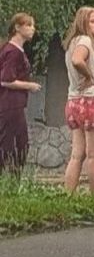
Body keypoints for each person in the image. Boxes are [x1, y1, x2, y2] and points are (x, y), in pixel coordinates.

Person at [63, 7, 94, 193]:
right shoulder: (84, 41)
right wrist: (89, 76)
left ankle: (69, 194)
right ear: (83, 22)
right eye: (92, 21)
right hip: (92, 100)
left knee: (77, 155)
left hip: (74, 101)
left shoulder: (73, 42)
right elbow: (78, 60)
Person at [0, 13, 41, 176]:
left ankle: (10, 180)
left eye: (33, 25)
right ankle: (10, 181)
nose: (32, 29)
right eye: (28, 25)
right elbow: (5, 80)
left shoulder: (13, 50)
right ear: (17, 27)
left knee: (14, 143)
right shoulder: (13, 52)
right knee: (16, 144)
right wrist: (29, 85)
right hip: (10, 104)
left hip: (13, 104)